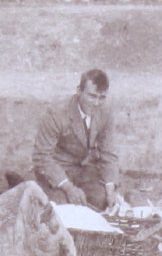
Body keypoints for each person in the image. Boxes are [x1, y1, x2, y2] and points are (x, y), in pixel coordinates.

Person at [32, 69, 119, 210]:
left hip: (83, 171)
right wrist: (69, 188)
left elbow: (108, 153)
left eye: (101, 97)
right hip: (56, 170)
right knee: (63, 208)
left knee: (102, 202)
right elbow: (42, 157)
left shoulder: (106, 112)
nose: (96, 103)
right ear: (79, 91)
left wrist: (111, 188)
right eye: (91, 96)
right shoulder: (57, 113)